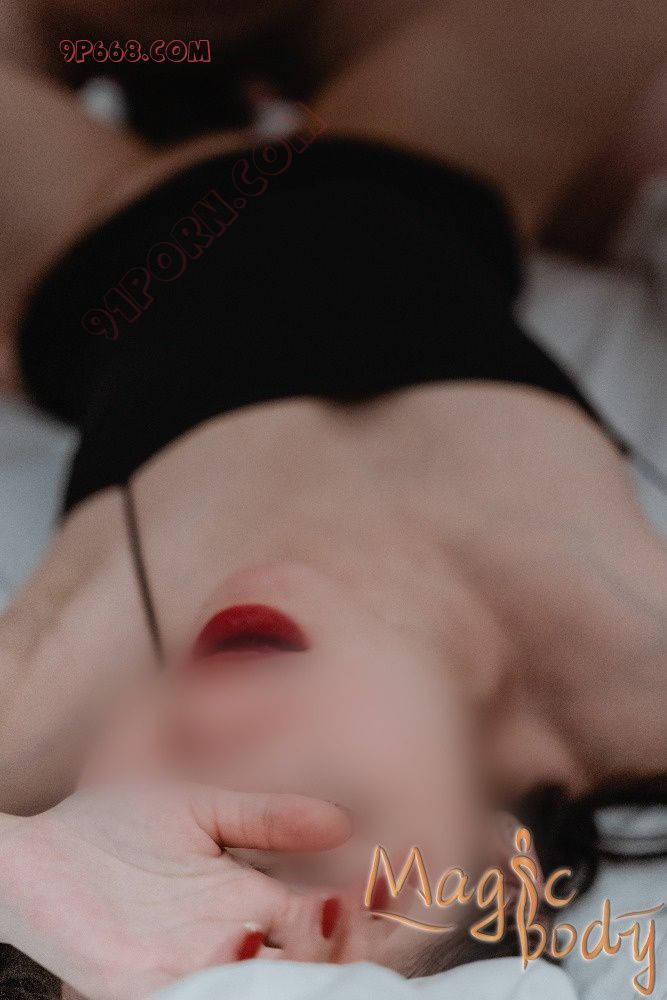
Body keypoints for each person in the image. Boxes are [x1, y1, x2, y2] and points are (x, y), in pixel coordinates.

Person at [0, 0, 666, 996]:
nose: (211, 729)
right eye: (273, 839)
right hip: (423, 161)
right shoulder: (631, 665)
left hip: (103, 232)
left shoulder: (45, 703)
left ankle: (165, 54)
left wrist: (23, 871)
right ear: (502, 856)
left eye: (144, 813)